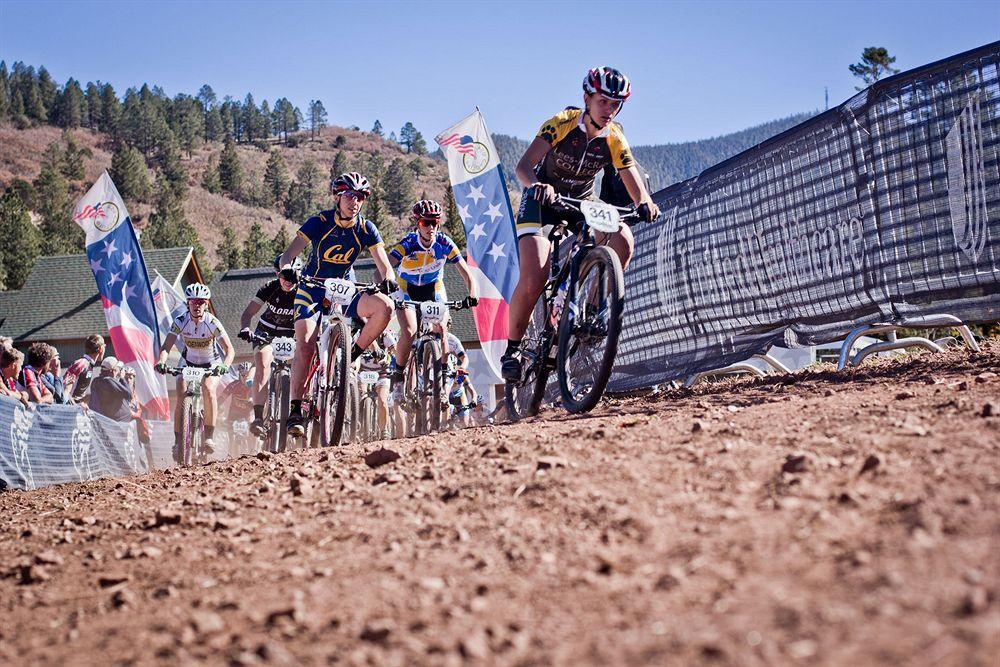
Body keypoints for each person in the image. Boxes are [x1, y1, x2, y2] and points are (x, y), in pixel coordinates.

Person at [501, 66, 660, 380]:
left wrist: (645, 202)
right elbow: (523, 167)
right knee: (535, 276)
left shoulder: (614, 137)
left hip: (582, 203)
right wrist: (537, 186)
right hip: (542, 199)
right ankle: (513, 349)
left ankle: (588, 311)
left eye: (616, 104)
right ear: (587, 97)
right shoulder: (560, 123)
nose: (609, 110)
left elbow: (632, 181)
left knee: (623, 239)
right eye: (603, 101)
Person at [277, 172, 397, 437]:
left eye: (361, 197)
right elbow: (289, 253)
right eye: (350, 196)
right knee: (306, 345)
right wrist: (286, 270)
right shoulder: (319, 222)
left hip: (345, 288)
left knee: (385, 307)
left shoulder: (366, 228)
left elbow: (384, 264)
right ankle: (296, 409)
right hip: (312, 287)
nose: (355, 202)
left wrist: (389, 279)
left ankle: (351, 354)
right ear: (337, 197)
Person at [387, 199, 479, 402]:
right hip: (406, 288)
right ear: (417, 223)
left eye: (434, 223)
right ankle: (399, 378)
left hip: (433, 288)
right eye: (425, 223)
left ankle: (443, 377)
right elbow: (383, 268)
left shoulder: (444, 243)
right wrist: (386, 288)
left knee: (442, 328)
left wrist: (472, 295)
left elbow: (467, 274)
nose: (430, 227)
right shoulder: (409, 243)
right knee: (409, 330)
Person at [155, 283, 235, 463]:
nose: (196, 305)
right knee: (181, 393)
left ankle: (208, 436)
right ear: (188, 303)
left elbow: (230, 350)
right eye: (193, 301)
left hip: (211, 363)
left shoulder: (212, 323)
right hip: (188, 361)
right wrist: (161, 361)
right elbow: (167, 346)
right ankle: (178, 442)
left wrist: (225, 365)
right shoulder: (180, 321)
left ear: (206, 304)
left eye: (201, 302)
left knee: (208, 389)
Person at [238, 256, 301, 437]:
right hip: (266, 332)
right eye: (283, 276)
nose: (287, 282)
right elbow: (248, 313)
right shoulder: (269, 287)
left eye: (292, 278)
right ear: (277, 274)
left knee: (301, 364)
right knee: (263, 364)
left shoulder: (304, 290)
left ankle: (299, 411)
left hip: (291, 335)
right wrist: (245, 328)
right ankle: (258, 417)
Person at [358, 330, 396, 440]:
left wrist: (391, 356)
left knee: (382, 400)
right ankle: (358, 426)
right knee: (361, 396)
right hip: (364, 371)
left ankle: (384, 430)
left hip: (382, 372)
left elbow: (395, 350)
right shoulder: (360, 333)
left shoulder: (385, 335)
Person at [88, 357, 135, 422]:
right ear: (112, 371)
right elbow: (129, 395)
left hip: (109, 421)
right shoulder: (109, 381)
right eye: (118, 369)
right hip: (119, 424)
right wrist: (122, 378)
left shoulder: (96, 381)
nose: (119, 371)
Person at [63, 334, 106, 403]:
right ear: (101, 349)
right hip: (71, 409)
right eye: (104, 346)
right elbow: (65, 390)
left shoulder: (89, 364)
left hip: (77, 407)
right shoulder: (81, 363)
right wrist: (76, 405)